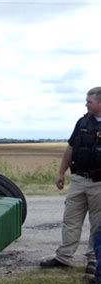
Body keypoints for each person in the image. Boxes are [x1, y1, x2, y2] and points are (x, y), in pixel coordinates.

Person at [40, 87, 101, 273]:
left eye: (89, 101)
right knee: (70, 219)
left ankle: (94, 260)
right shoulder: (82, 122)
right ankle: (64, 257)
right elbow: (70, 149)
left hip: (99, 183)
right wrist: (61, 173)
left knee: (98, 223)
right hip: (78, 180)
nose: (86, 104)